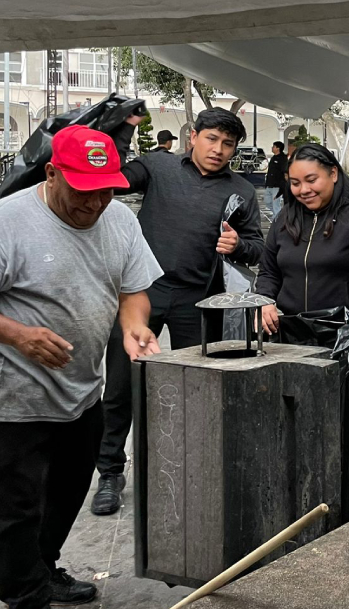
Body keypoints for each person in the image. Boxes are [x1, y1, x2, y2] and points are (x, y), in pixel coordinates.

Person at [0, 126, 163, 609]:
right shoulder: (2, 223)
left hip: (79, 396)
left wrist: (134, 326)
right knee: (15, 515)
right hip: (6, 404)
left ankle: (45, 569)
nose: (96, 202)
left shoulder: (119, 220)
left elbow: (132, 289)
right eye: (84, 190)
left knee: (62, 500)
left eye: (107, 190)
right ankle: (27, 596)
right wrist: (20, 335)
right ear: (53, 173)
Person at [90, 107, 264, 516]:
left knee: (198, 390)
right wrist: (121, 130)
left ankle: (193, 471)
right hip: (141, 295)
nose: (218, 150)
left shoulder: (241, 190)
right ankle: (110, 473)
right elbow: (114, 177)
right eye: (211, 139)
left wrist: (238, 245)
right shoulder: (159, 167)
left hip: (198, 303)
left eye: (227, 144)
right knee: (119, 387)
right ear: (193, 136)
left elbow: (258, 247)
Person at [257, 143, 349, 384]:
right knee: (302, 408)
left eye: (312, 180)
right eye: (295, 183)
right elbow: (269, 271)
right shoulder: (285, 217)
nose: (303, 190)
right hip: (296, 332)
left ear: (333, 174)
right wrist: (264, 301)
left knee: (343, 410)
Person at [264, 140, 288, 219]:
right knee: (267, 202)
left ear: (278, 148)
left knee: (276, 204)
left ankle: (276, 220)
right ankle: (279, 215)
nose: (272, 148)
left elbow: (284, 171)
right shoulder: (273, 158)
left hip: (277, 186)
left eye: (274, 146)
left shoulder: (283, 159)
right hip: (269, 184)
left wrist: (283, 184)